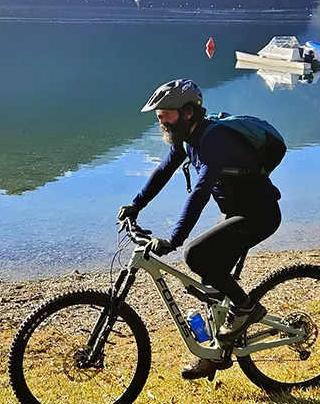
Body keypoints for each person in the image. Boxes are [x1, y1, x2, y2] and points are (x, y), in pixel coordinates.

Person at [117, 78, 282, 380]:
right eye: (158, 114)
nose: (161, 119)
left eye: (166, 113)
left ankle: (247, 308)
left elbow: (201, 191)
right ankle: (217, 353)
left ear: (188, 112)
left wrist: (175, 239)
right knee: (211, 284)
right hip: (236, 212)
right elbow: (162, 171)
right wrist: (136, 205)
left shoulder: (214, 141)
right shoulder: (187, 139)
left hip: (260, 214)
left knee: (195, 254)